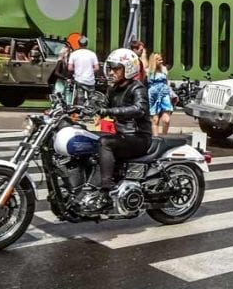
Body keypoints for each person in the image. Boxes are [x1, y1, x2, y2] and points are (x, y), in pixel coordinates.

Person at [97, 48, 152, 193]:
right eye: (110, 68)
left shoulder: (137, 88)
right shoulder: (113, 89)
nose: (111, 72)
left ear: (128, 68)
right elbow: (104, 104)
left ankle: (106, 188)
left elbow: (139, 109)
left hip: (138, 137)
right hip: (122, 135)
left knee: (105, 143)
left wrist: (110, 111)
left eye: (116, 69)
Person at [147, 52, 174, 135]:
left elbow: (166, 82)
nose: (161, 61)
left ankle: (164, 136)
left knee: (166, 120)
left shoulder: (164, 69)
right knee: (155, 120)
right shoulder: (148, 71)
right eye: (159, 60)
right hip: (153, 95)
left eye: (161, 59)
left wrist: (170, 94)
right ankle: (156, 139)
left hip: (164, 94)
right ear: (154, 61)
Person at [68, 36, 99, 105]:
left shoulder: (74, 54)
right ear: (87, 44)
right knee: (92, 99)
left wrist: (76, 70)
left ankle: (80, 112)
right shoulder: (92, 54)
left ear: (78, 44)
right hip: (90, 80)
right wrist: (90, 71)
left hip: (79, 80)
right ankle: (92, 111)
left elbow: (70, 68)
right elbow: (97, 68)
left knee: (80, 99)